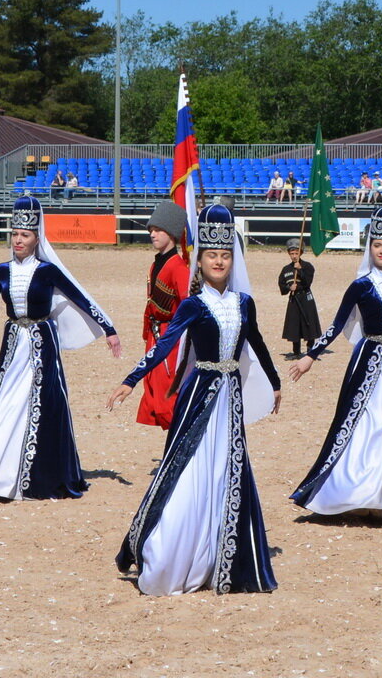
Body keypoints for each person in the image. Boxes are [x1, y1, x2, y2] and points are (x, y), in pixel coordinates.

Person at [106, 203, 282, 595]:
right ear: (199, 260)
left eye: (225, 255)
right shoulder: (193, 304)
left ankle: (222, 551)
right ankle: (173, 550)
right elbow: (164, 344)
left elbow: (257, 343)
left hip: (229, 400)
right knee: (188, 470)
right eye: (211, 255)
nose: (219, 261)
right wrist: (132, 379)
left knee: (226, 469)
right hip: (199, 395)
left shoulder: (243, 304)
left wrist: (275, 382)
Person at [0, 196, 122, 501]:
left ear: (36, 238)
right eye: (15, 234)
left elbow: (80, 298)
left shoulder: (48, 271)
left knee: (38, 402)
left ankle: (30, 472)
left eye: (25, 235)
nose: (18, 240)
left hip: (42, 342)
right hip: (13, 340)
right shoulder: (2, 270)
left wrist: (107, 328)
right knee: (4, 399)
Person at [288, 206, 382, 519]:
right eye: (377, 245)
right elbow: (337, 324)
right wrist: (311, 355)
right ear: (370, 247)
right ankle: (352, 490)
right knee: (361, 421)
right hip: (367, 360)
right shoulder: (361, 286)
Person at [135, 201, 191, 431]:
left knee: (170, 396)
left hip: (172, 339)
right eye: (151, 230)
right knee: (157, 393)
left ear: (172, 232)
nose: (153, 234)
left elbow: (188, 305)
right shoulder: (154, 265)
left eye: (158, 229)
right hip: (156, 336)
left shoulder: (179, 267)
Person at [277, 238, 322, 358]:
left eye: (296, 253)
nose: (294, 256)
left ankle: (310, 347)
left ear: (300, 253)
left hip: (306, 299)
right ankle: (296, 351)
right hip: (294, 300)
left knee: (309, 324)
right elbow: (281, 285)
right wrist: (289, 288)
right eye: (291, 254)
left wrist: (300, 270)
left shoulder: (308, 266)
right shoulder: (286, 269)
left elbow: (308, 282)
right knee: (294, 325)